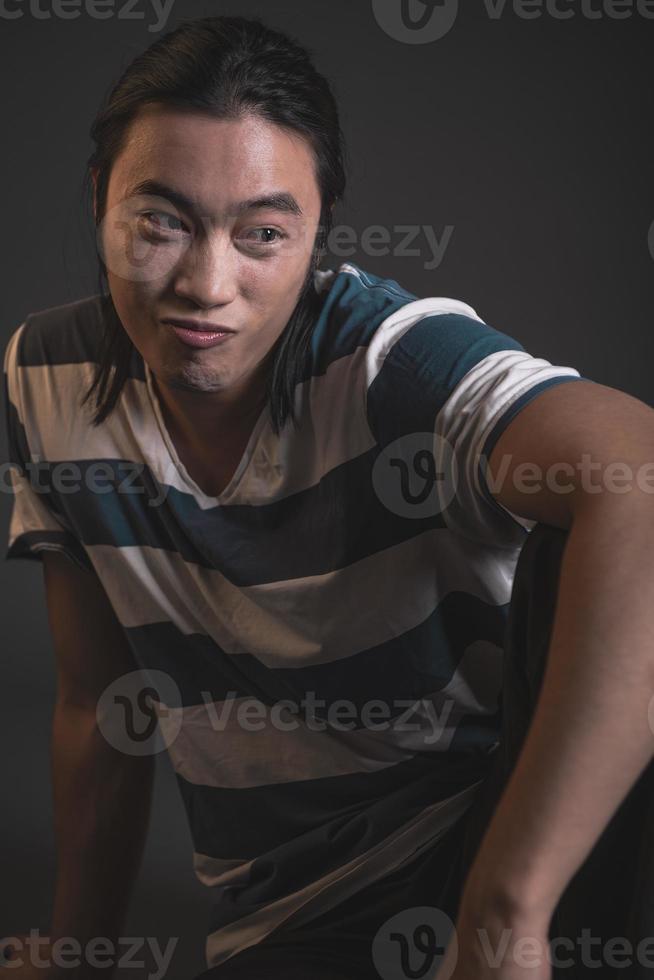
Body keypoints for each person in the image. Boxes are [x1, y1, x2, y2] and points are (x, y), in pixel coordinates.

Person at [3, 14, 654, 980]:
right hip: (307, 909)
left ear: (317, 237)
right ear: (101, 199)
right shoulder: (45, 377)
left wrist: (503, 913)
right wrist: (78, 950)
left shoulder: (390, 357)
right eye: (163, 221)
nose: (206, 284)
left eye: (262, 234)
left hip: (527, 837)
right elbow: (101, 702)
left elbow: (638, 472)